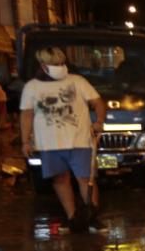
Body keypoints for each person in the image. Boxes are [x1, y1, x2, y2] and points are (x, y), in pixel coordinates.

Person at [20, 47, 106, 232]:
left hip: (80, 140)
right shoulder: (32, 87)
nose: (60, 67)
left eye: (62, 63)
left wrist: (99, 121)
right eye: (55, 64)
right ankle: (72, 217)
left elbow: (98, 102)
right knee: (60, 180)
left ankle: (93, 217)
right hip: (49, 144)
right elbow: (26, 115)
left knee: (86, 178)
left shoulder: (77, 81)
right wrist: (25, 141)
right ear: (43, 66)